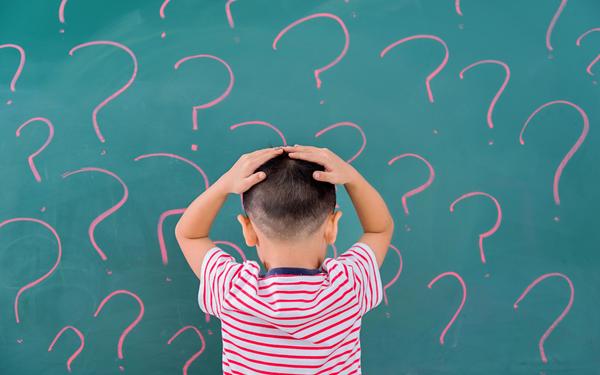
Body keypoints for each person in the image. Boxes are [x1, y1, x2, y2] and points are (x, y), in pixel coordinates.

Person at [175, 144, 394, 374]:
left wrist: (223, 185)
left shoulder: (232, 289)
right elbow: (379, 230)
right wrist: (353, 178)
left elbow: (189, 235)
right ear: (332, 227)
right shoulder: (349, 285)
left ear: (248, 230)